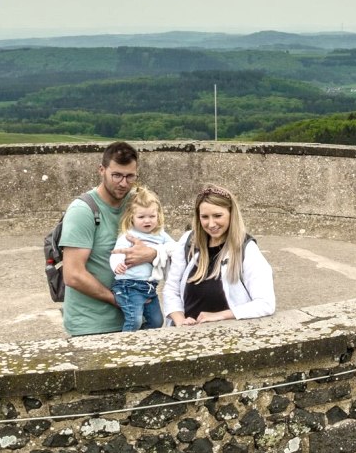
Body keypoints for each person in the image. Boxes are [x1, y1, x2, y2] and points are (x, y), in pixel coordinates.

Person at [59, 141, 158, 336]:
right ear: (101, 170)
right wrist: (121, 300)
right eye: (117, 175)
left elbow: (163, 243)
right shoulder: (83, 211)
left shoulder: (138, 204)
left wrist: (152, 253)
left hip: (137, 320)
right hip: (92, 326)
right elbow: (73, 275)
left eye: (130, 176)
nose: (123, 183)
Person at [161, 184, 276, 325]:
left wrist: (220, 316)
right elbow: (171, 290)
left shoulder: (246, 249)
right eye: (204, 217)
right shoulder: (188, 241)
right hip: (186, 333)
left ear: (231, 214)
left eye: (217, 216)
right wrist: (180, 320)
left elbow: (265, 303)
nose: (211, 224)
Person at [108, 185, 175, 332]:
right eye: (141, 217)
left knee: (157, 321)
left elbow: (174, 248)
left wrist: (158, 251)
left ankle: (143, 343)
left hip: (149, 286)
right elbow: (117, 253)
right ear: (132, 217)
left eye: (152, 216)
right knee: (134, 320)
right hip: (128, 285)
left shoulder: (160, 235)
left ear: (158, 216)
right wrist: (117, 265)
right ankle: (125, 345)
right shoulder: (129, 235)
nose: (147, 221)